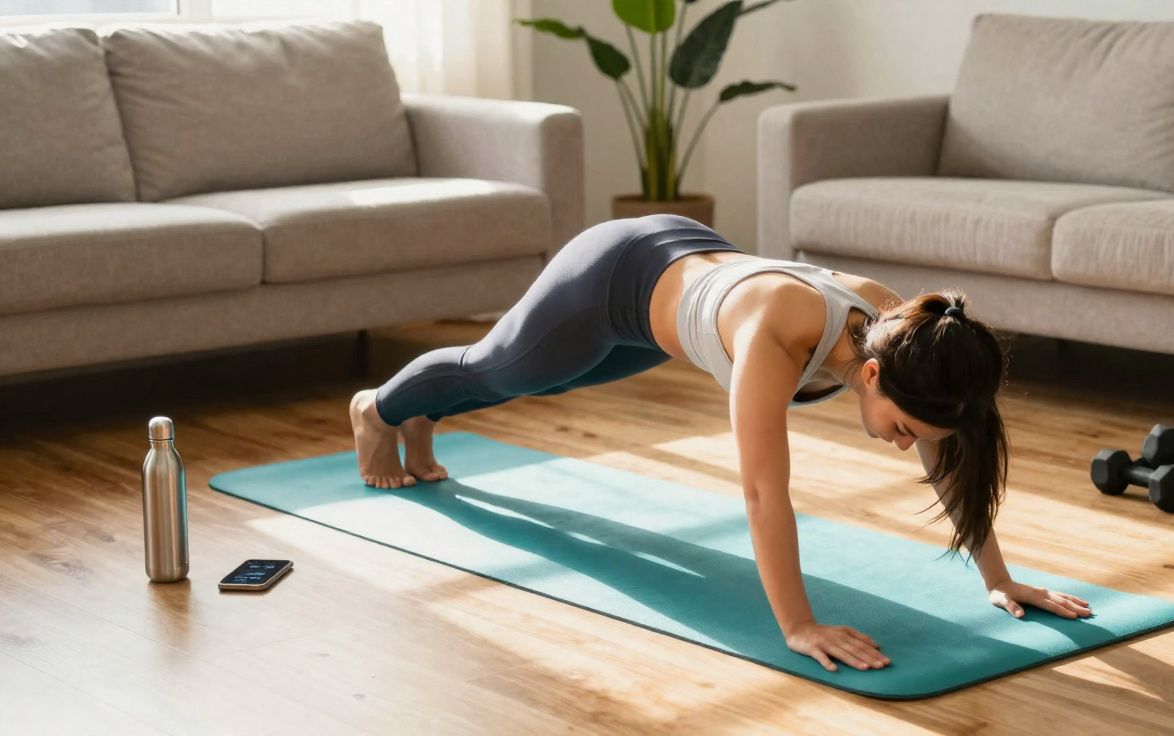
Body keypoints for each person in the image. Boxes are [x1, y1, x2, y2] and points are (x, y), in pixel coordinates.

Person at [348, 214, 1093, 673]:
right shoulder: (775, 335)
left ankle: (427, 412)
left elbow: (947, 462)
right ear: (869, 374)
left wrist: (998, 578)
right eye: (902, 429)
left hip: (674, 285)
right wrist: (798, 625)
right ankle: (380, 410)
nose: (906, 448)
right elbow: (764, 492)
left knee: (544, 382)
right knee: (498, 369)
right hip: (613, 277)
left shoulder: (908, 333)